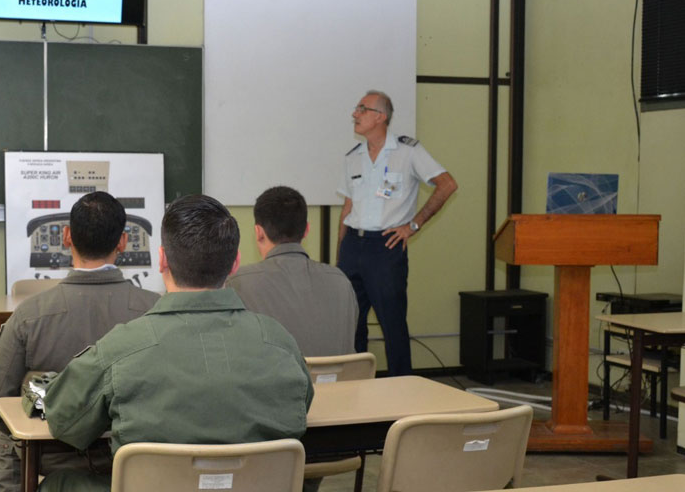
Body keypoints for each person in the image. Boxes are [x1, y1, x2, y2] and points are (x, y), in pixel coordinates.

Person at [40, 194, 314, 492]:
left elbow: (64, 421)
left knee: (58, 484)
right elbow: (302, 404)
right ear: (235, 263)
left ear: (162, 260)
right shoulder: (281, 343)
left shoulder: (121, 348)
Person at [0, 191, 160, 492]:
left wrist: (45, 428)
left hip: (47, 457)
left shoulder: (29, 315)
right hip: (130, 458)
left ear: (66, 237)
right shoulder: (156, 310)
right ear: (123, 242)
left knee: (7, 436)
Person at [336, 90, 457, 377]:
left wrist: (413, 225)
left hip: (385, 247)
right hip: (353, 245)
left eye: (361, 109)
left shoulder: (408, 152)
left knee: (392, 325)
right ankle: (355, 386)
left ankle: (402, 393)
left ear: (380, 117)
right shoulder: (353, 157)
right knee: (350, 322)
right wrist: (340, 254)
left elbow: (447, 184)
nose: (355, 114)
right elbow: (347, 207)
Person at [227, 185, 358, 357]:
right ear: (307, 230)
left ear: (258, 232)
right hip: (341, 383)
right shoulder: (341, 281)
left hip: (278, 384)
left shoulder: (238, 284)